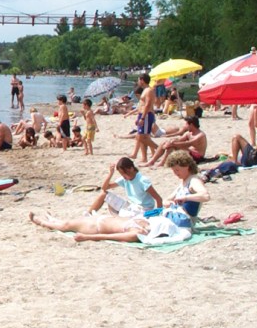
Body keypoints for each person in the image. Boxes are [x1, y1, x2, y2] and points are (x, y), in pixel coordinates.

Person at [29, 151, 208, 243]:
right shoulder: (183, 183)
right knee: (100, 202)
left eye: (177, 170)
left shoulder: (193, 181)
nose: (176, 173)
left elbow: (205, 195)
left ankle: (48, 221)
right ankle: (57, 219)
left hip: (165, 217)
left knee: (74, 225)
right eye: (174, 170)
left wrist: (184, 199)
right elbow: (167, 200)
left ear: (186, 166)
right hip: (162, 217)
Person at [86, 157, 163, 217]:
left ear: (131, 169)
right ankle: (88, 214)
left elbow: (158, 199)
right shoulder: (125, 179)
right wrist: (110, 174)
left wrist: (158, 214)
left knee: (124, 216)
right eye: (121, 174)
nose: (123, 176)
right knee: (104, 195)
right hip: (131, 206)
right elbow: (104, 188)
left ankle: (116, 218)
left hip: (143, 210)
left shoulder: (142, 181)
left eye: (124, 173)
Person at [126, 74, 157, 164]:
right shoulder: (145, 90)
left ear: (142, 80)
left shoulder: (148, 91)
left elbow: (147, 105)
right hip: (143, 115)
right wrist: (138, 117)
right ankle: (144, 158)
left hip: (146, 115)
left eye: (139, 80)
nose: (138, 82)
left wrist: (142, 118)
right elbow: (141, 105)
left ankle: (160, 149)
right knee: (142, 136)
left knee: (142, 137)